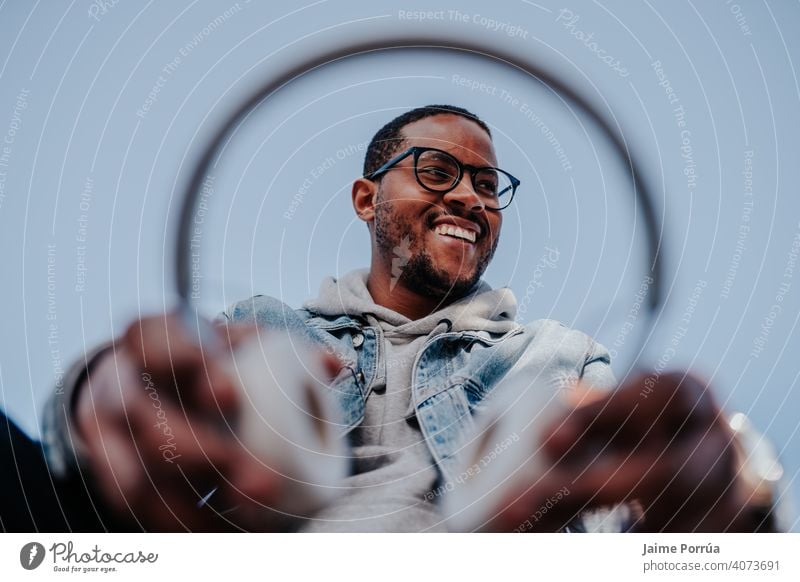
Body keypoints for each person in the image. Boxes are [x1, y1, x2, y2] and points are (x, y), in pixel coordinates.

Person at [37, 105, 776, 532]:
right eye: (437, 170)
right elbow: (145, 415)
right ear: (367, 200)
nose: (470, 199)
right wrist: (87, 398)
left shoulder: (559, 357)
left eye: (489, 185)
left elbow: (635, 506)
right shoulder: (259, 335)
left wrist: (739, 519)